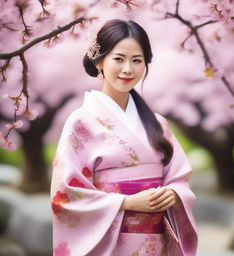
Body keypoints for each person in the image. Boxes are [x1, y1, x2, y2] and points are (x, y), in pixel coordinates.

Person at [50, 19, 198, 256]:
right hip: (111, 243)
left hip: (154, 242)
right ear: (99, 62)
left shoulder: (157, 124)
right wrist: (126, 203)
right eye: (119, 59)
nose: (128, 69)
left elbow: (179, 179)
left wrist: (173, 193)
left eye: (137, 60)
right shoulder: (81, 122)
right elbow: (65, 194)